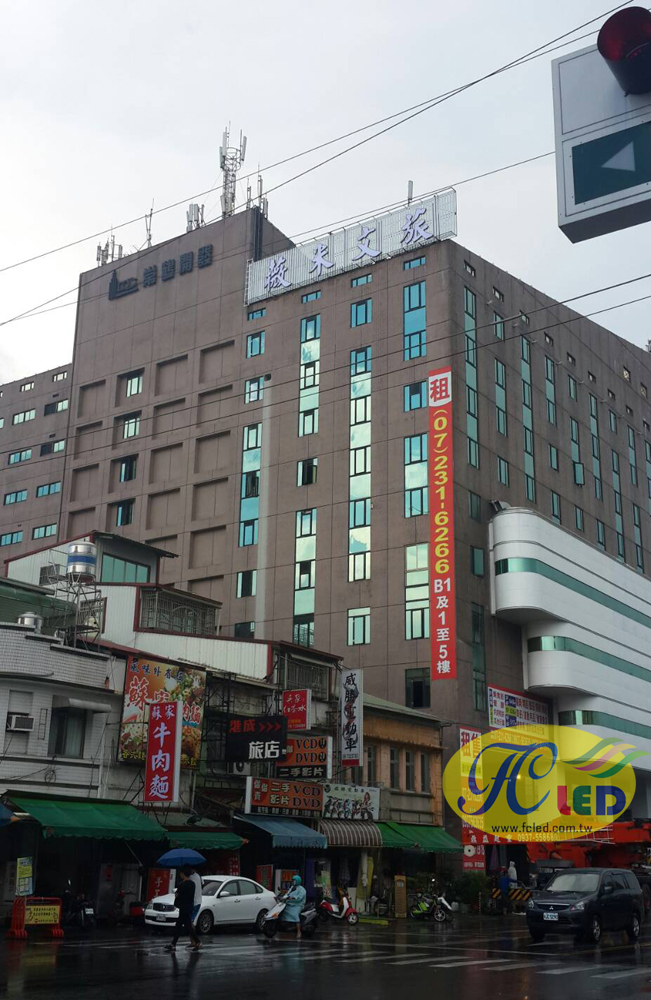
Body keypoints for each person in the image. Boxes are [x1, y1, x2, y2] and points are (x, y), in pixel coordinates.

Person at [165, 868, 201, 952]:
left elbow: (178, 895)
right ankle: (173, 944)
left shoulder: (182, 884)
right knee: (179, 925)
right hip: (189, 907)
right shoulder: (192, 884)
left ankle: (198, 942)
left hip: (183, 908)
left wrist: (177, 894)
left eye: (181, 873)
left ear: (183, 874)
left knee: (187, 926)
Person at [283, 874, 306, 940]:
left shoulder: (302, 889)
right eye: (292, 880)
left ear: (297, 881)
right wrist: (283, 897)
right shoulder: (292, 888)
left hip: (298, 905)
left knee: (295, 915)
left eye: (294, 880)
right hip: (289, 904)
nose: (293, 881)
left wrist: (293, 897)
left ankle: (299, 931)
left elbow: (299, 898)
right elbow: (287, 894)